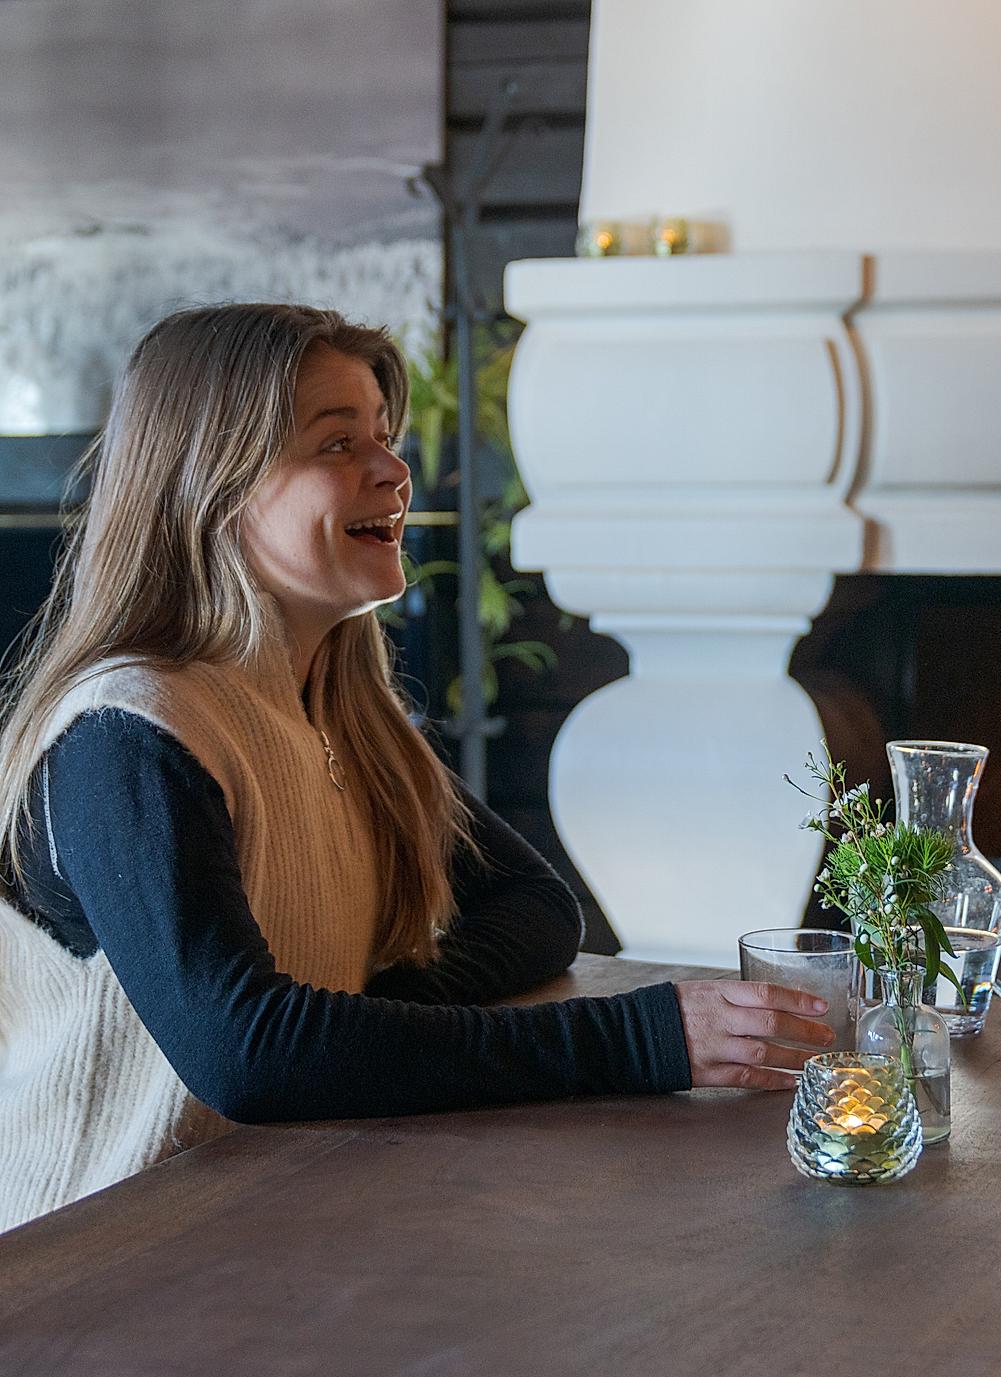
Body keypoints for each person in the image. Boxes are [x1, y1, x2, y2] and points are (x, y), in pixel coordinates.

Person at [0, 303, 834, 1233]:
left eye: (385, 439)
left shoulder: (345, 716)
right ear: (216, 486)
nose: (394, 472)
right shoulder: (129, 732)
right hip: (83, 1270)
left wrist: (364, 1023)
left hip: (265, 1226)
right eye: (337, 444)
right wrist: (641, 1036)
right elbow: (249, 1056)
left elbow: (535, 906)